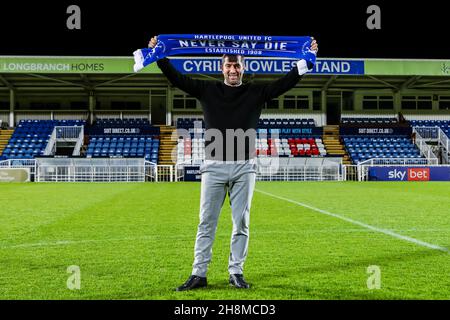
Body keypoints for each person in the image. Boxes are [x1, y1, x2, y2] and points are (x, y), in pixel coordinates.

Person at [149, 36, 318, 291]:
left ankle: (236, 272)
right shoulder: (207, 90)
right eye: (228, 66)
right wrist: (159, 55)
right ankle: (199, 273)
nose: (232, 70)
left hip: (245, 167)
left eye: (237, 65)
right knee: (206, 222)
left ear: (243, 67)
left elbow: (286, 82)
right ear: (222, 68)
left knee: (241, 223)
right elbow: (177, 78)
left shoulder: (256, 92)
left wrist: (306, 59)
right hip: (213, 167)